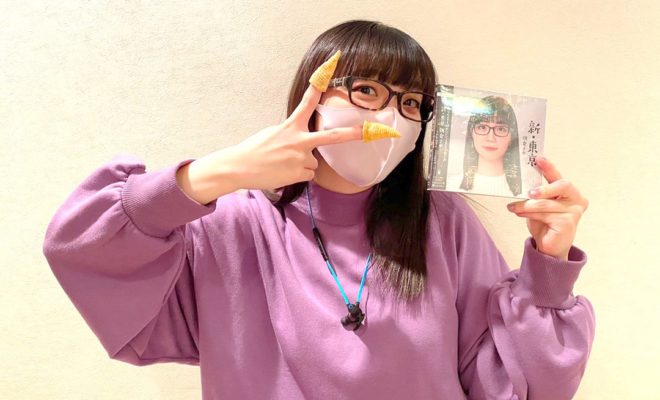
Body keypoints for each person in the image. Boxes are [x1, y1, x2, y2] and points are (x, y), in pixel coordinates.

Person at [42, 20, 594, 400]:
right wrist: (220, 171)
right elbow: (84, 248)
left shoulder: (441, 223)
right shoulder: (233, 221)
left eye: (411, 103)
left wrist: (548, 269)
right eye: (367, 90)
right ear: (314, 94)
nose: (392, 117)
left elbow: (514, 383)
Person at [448, 96, 523, 197]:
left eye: (500, 129)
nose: (490, 138)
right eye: (482, 127)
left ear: (512, 136)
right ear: (471, 132)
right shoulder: (451, 186)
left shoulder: (527, 191)